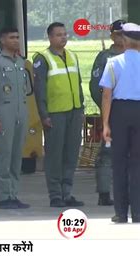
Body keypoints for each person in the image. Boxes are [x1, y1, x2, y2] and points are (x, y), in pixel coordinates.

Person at [33, 22, 85, 208]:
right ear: (50, 37)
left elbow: (78, 84)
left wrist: (81, 108)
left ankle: (67, 192)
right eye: (58, 35)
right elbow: (39, 90)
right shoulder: (43, 58)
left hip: (74, 111)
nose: (63, 37)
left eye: (65, 34)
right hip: (55, 114)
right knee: (55, 155)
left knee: (71, 154)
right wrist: (44, 114)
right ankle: (55, 194)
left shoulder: (72, 56)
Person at [100, 22, 140, 224]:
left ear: (124, 42)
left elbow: (107, 96)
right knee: (138, 163)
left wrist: (106, 124)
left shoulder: (113, 63)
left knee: (119, 163)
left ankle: (121, 213)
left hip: (120, 113)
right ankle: (139, 212)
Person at [0, 27, 30, 209]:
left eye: (17, 37)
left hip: (21, 112)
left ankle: (14, 193)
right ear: (3, 40)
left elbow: (26, 90)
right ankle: (5, 196)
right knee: (5, 154)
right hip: (4, 112)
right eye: (12, 37)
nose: (16, 40)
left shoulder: (21, 62)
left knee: (16, 154)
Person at [89, 19, 126, 206]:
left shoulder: (135, 55)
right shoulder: (105, 57)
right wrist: (107, 110)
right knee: (107, 153)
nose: (122, 37)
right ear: (112, 35)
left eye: (125, 33)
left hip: (132, 112)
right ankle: (104, 192)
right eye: (118, 34)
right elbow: (96, 88)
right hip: (111, 113)